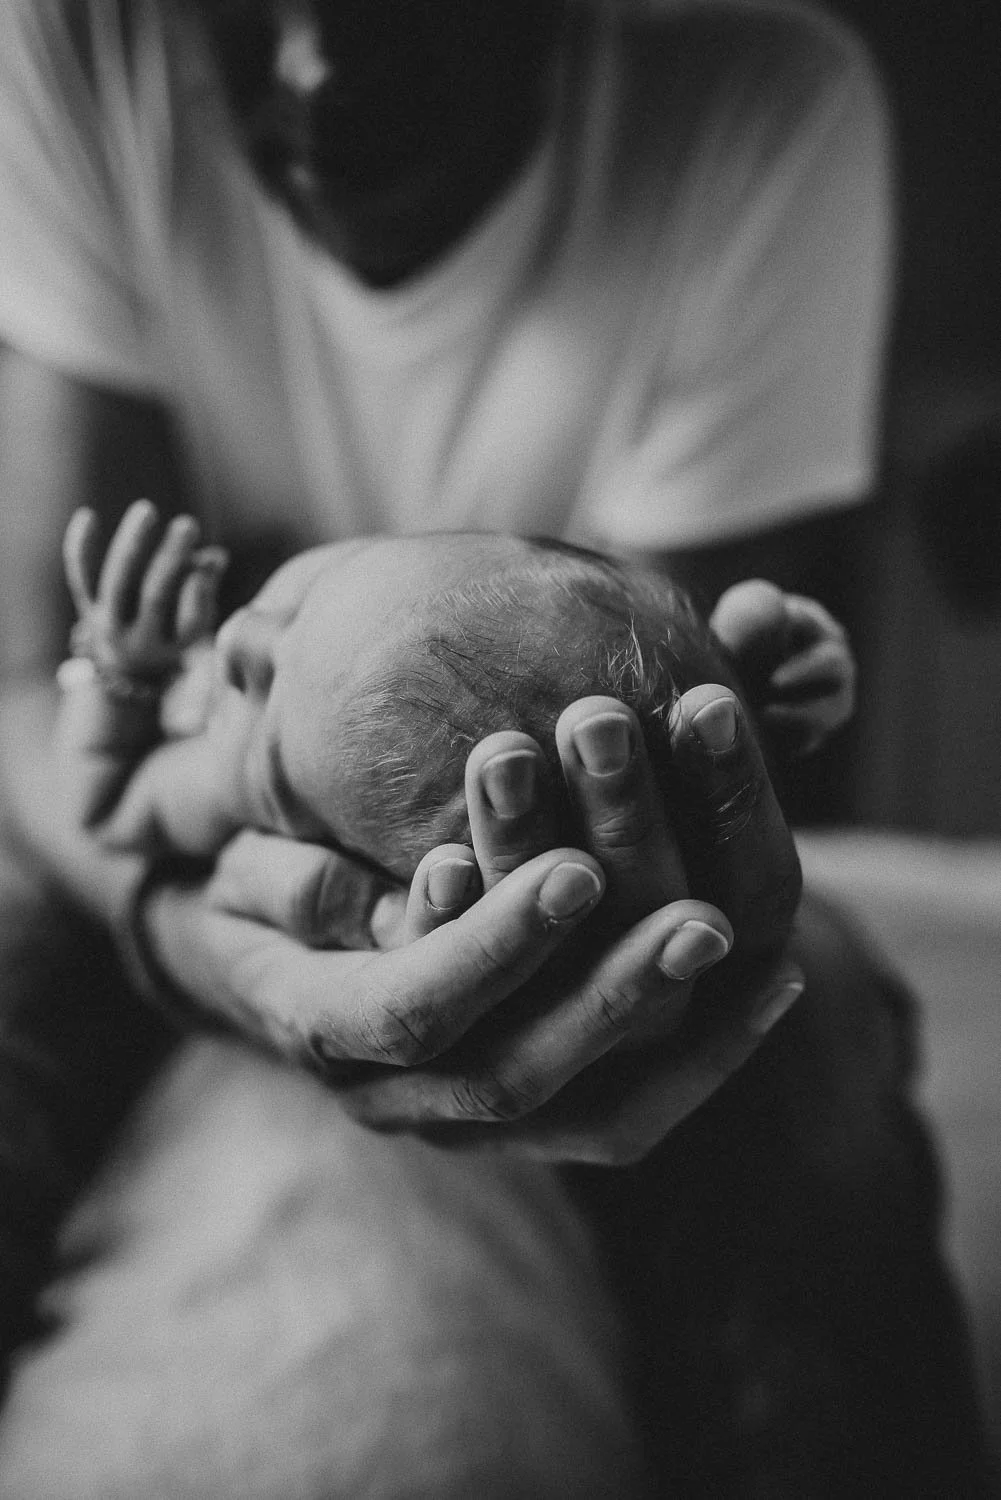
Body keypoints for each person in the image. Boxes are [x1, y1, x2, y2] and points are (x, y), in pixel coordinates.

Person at [0, 0, 936, 1493]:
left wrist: (742, 700)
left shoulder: (758, 111)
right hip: (203, 873)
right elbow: (46, 734)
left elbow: (666, 730)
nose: (312, 77)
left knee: (799, 1064)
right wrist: (119, 700)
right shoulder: (74, 37)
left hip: (487, 862)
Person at [0, 509, 985, 1497]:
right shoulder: (290, 727)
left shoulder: (227, 779)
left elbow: (111, 801)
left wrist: (123, 675)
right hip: (94, 914)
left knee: (812, 1067)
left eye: (257, 697)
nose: (244, 639)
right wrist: (741, 681)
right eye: (312, 592)